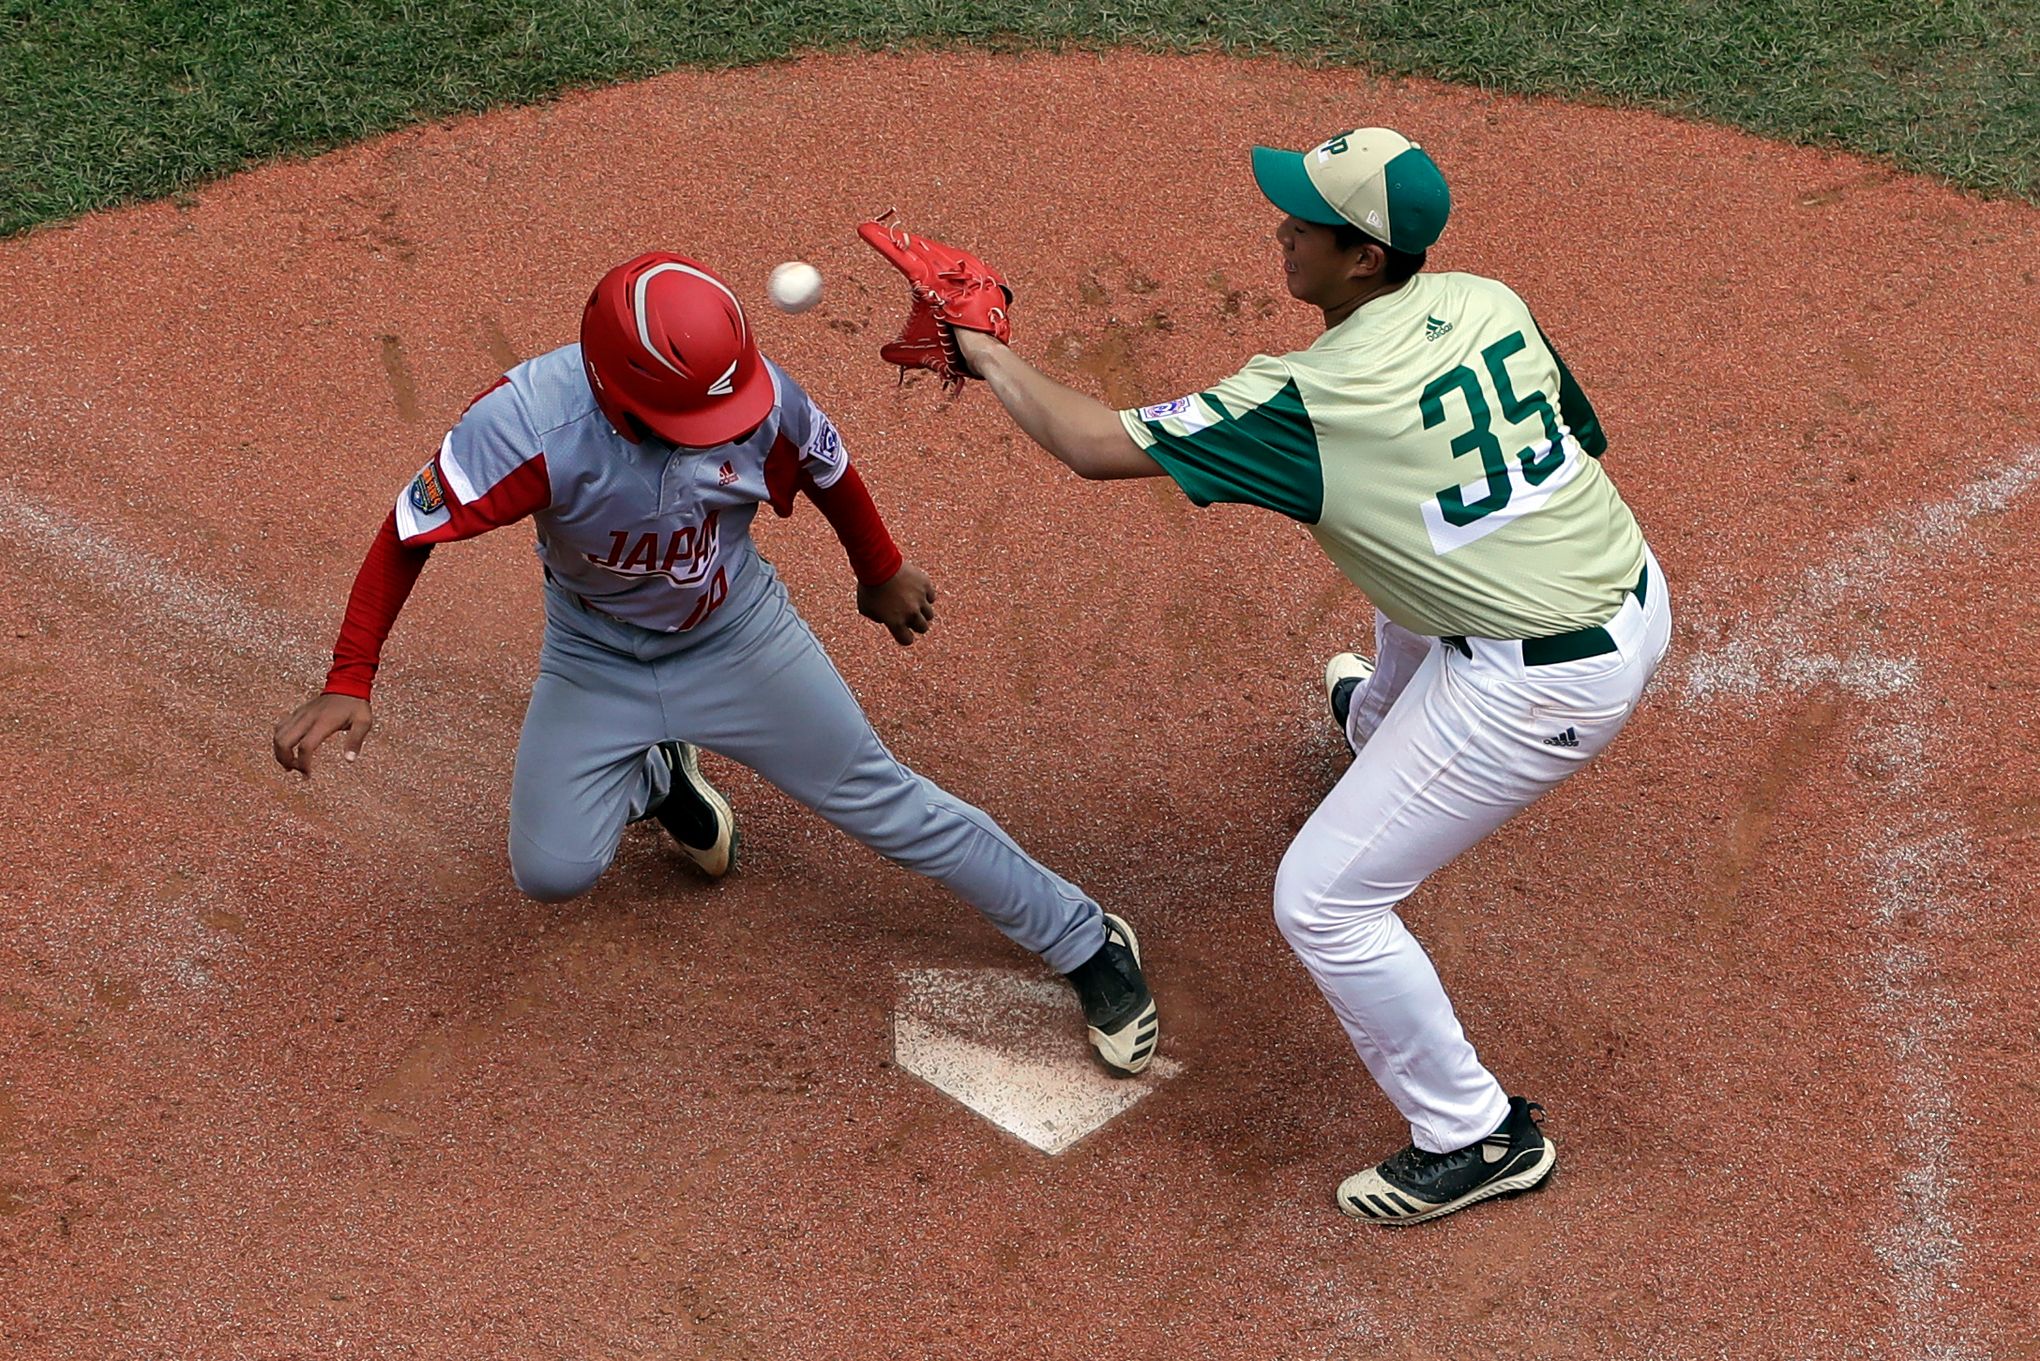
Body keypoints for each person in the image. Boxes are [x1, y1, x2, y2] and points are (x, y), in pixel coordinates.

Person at [945, 128, 1671, 1223]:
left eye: (1304, 220)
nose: (1280, 228)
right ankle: (1390, 728)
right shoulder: (1487, 300)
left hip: (1538, 687)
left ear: (1364, 257)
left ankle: (1475, 1133)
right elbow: (1574, 437)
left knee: (1324, 902)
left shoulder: (1313, 395)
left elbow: (1096, 443)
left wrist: (989, 352)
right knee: (1403, 553)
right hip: (1623, 580)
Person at [270, 251, 1158, 1076]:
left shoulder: (761, 396)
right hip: (594, 656)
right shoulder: (526, 422)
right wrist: (352, 674)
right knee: (551, 873)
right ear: (614, 389)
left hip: (739, 638)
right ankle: (659, 777)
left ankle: (1084, 939)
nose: (714, 432)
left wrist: (878, 570)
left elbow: (827, 468)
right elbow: (408, 530)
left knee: (883, 799)